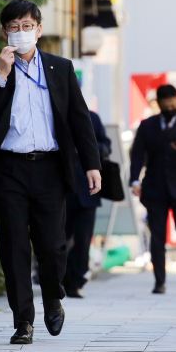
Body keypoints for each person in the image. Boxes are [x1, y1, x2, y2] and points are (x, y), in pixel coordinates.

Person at [0, 0, 102, 345]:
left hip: (50, 166)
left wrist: (91, 164)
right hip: (9, 167)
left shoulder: (60, 67)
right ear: (4, 32)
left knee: (52, 244)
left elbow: (79, 119)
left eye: (28, 26)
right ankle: (22, 321)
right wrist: (1, 74)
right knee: (13, 246)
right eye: (14, 27)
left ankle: (53, 297)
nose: (21, 33)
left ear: (39, 30)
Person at [130, 84, 176, 294]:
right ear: (159, 104)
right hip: (154, 188)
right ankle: (159, 280)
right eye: (166, 104)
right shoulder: (147, 126)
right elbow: (137, 155)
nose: (170, 106)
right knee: (158, 236)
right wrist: (135, 180)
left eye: (173, 103)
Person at [63, 111, 112, 298]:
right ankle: (59, 279)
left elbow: (106, 145)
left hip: (87, 190)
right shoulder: (53, 114)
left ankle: (76, 282)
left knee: (83, 241)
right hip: (60, 189)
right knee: (58, 240)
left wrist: (85, 148)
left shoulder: (92, 117)